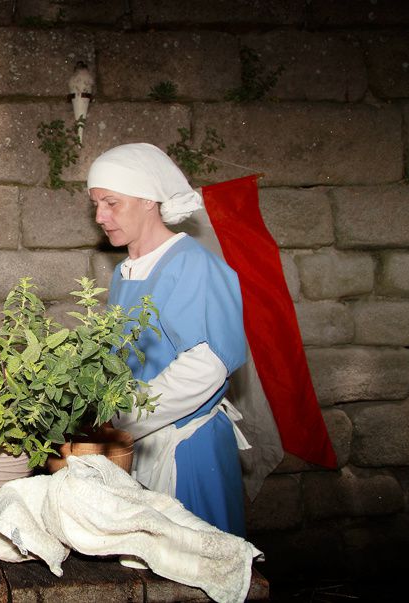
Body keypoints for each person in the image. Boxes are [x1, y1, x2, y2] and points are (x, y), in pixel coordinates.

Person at [86, 142, 249, 537]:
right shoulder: (127, 270)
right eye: (95, 205)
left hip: (185, 448)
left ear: (148, 201)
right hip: (143, 441)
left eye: (111, 203)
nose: (100, 216)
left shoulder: (194, 265)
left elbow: (204, 369)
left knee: (193, 565)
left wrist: (121, 420)